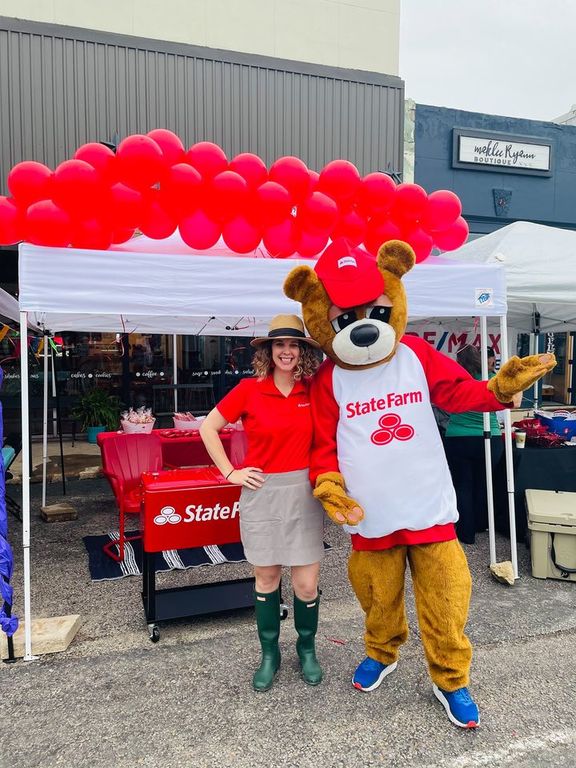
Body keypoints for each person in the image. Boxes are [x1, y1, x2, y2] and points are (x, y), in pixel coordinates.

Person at [200, 314, 324, 692]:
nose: (286, 351)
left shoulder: (313, 389)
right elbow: (209, 427)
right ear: (269, 351)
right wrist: (230, 472)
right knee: (267, 578)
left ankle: (306, 649)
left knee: (305, 585)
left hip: (303, 493)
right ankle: (269, 654)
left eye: (293, 345)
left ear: (301, 351)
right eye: (279, 345)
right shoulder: (249, 390)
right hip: (262, 491)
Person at [443, 345, 504, 544]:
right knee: (483, 483)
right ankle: (480, 524)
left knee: (462, 485)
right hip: (489, 436)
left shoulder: (455, 378)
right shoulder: (492, 379)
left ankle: (466, 532)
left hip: (457, 436)